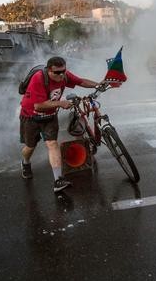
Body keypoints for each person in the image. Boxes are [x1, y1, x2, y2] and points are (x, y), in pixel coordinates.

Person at [19, 56, 100, 193]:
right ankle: (25, 163)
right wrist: (60, 103)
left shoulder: (64, 76)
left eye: (63, 71)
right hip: (30, 116)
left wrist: (98, 84)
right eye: (57, 72)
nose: (61, 75)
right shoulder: (38, 78)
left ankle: (58, 180)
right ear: (49, 70)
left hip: (50, 116)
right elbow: (38, 106)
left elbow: (81, 81)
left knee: (52, 144)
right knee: (30, 147)